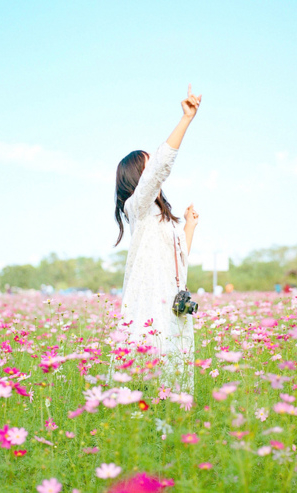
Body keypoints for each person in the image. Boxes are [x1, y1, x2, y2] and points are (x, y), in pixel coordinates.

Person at [114, 84, 201, 393]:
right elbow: (161, 169)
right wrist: (186, 120)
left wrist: (189, 226)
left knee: (175, 385)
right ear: (137, 177)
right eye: (148, 167)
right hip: (150, 307)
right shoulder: (136, 207)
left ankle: (171, 434)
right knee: (147, 383)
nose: (153, 172)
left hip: (173, 310)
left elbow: (181, 259)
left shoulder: (161, 217)